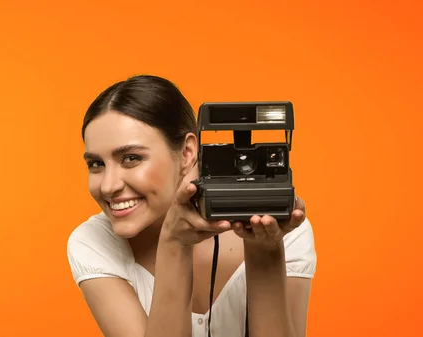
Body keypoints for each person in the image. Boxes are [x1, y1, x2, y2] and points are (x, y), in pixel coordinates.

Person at [66, 74, 317, 337]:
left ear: (187, 153)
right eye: (96, 164)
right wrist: (174, 245)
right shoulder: (94, 241)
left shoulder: (285, 231)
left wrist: (265, 251)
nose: (108, 186)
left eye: (131, 158)